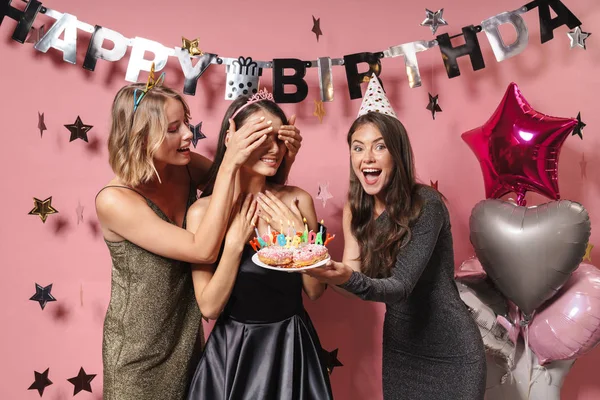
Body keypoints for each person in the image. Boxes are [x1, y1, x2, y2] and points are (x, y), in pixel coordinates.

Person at [95, 70, 303, 400]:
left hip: (188, 337)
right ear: (141, 136)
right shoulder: (115, 201)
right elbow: (203, 249)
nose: (188, 136)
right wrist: (232, 158)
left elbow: (247, 184)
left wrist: (281, 156)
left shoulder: (185, 167)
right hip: (139, 352)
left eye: (186, 123)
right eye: (173, 129)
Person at [305, 75, 486, 399]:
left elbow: (399, 288)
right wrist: (327, 274)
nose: (367, 158)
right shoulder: (355, 211)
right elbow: (357, 284)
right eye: (358, 148)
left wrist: (344, 277)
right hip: (402, 350)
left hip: (451, 351)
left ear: (397, 154)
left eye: (380, 146)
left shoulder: (426, 205)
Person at [185, 89, 333, 400]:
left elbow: (316, 291)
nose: (274, 148)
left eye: (279, 138)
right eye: (260, 136)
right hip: (235, 353)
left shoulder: (298, 199)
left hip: (292, 348)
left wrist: (299, 240)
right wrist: (234, 246)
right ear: (233, 138)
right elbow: (209, 307)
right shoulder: (202, 213)